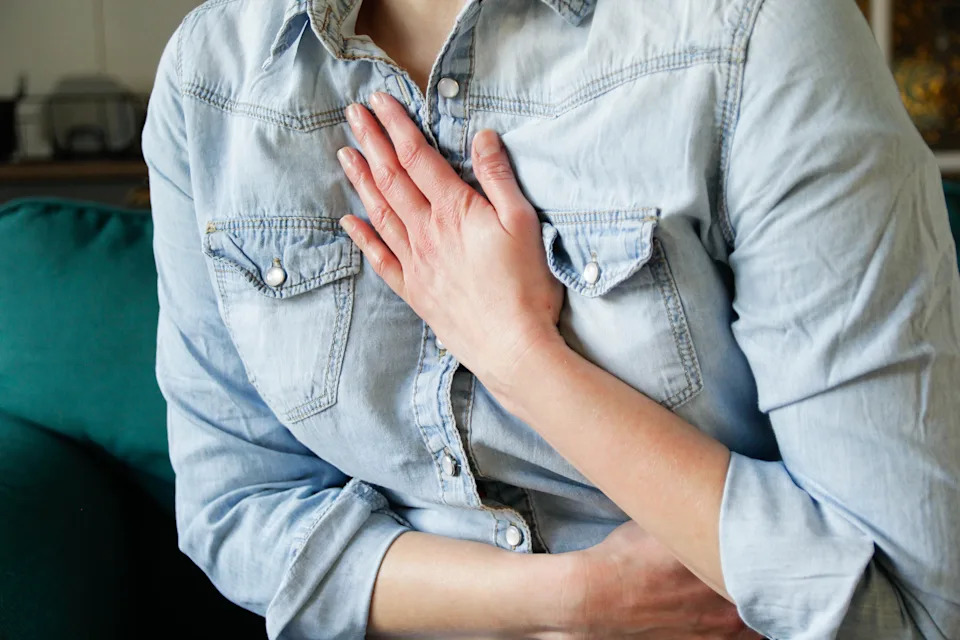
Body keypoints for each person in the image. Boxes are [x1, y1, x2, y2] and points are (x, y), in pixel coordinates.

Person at [141, 0, 960, 638]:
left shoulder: (758, 34)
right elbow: (236, 508)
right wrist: (570, 603)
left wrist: (520, 356)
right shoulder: (210, 78)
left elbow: (903, 608)